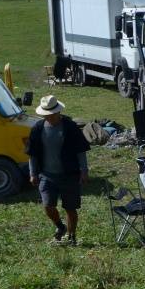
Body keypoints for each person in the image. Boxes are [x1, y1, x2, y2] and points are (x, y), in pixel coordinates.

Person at [25, 95, 90, 246]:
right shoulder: (38, 128)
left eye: (51, 115)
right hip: (47, 175)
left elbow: (81, 151)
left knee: (70, 208)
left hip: (69, 175)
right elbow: (32, 153)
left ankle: (71, 236)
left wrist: (84, 170)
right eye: (46, 115)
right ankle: (60, 227)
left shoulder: (70, 127)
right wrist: (33, 173)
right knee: (48, 205)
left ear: (58, 112)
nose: (49, 117)